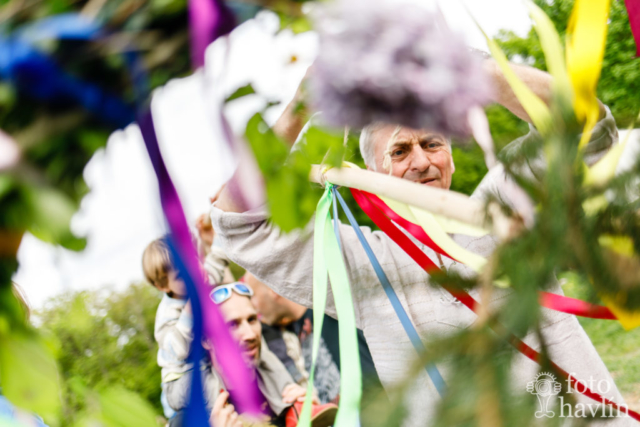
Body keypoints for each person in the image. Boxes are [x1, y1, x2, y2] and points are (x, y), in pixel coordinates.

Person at [210, 56, 632, 426]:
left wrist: (472, 69)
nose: (422, 161)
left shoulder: (504, 204)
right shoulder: (363, 262)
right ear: (371, 175)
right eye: (399, 151)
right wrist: (300, 108)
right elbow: (237, 223)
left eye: (432, 144)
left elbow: (584, 125)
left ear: (450, 156)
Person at [209, 281, 338, 427]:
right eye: (232, 324)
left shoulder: (284, 389)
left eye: (252, 320)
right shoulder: (202, 413)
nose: (250, 334)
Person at [246, 273, 383, 405]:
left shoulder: (331, 312)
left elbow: (370, 383)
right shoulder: (293, 330)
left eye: (253, 296)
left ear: (273, 290)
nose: (253, 307)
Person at [142, 237, 220, 416]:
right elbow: (178, 350)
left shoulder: (202, 281)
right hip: (180, 381)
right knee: (216, 387)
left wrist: (216, 238)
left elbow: (217, 264)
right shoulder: (167, 314)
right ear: (163, 286)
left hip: (206, 368)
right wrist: (189, 312)